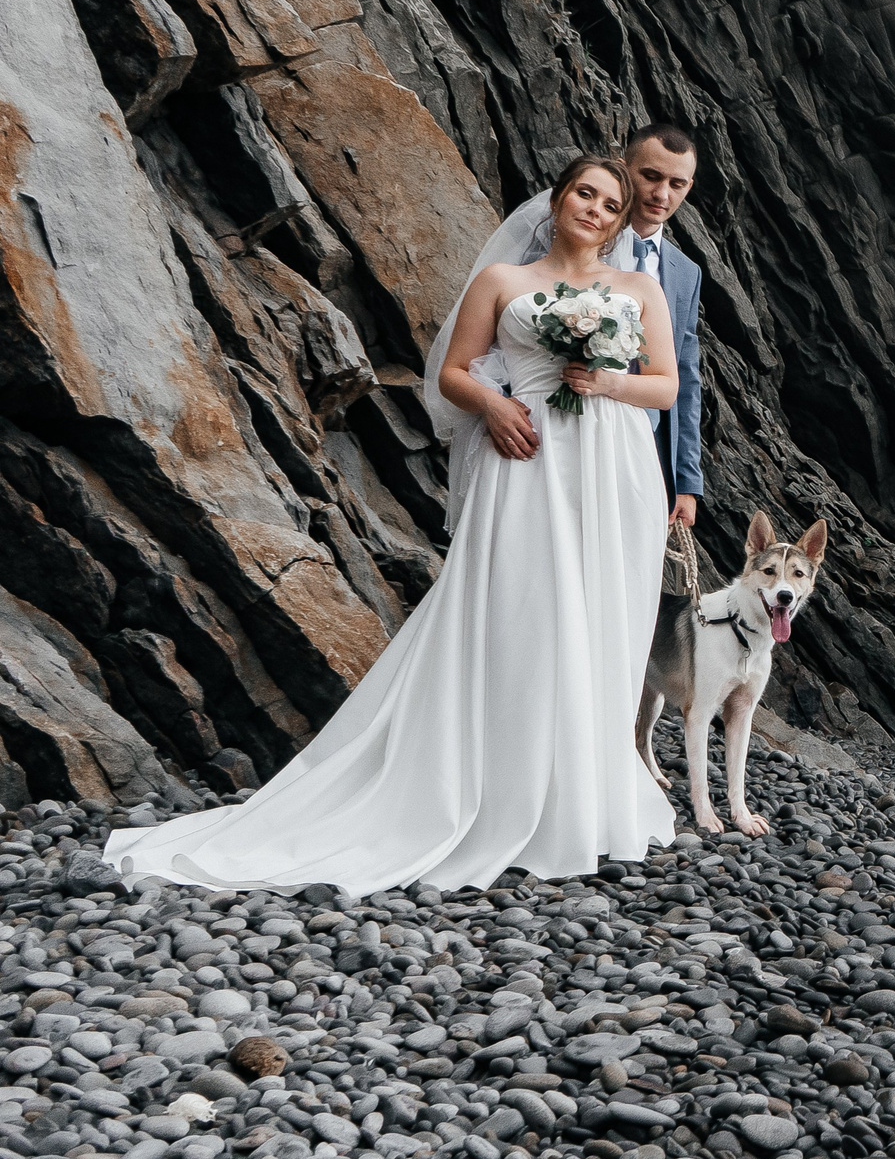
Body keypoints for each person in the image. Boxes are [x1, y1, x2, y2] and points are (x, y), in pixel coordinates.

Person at [106, 157, 681, 893]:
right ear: (560, 198)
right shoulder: (505, 281)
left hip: (612, 469)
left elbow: (663, 385)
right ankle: (497, 791)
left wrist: (605, 379)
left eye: (611, 202)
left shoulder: (637, 289)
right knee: (521, 613)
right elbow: (455, 370)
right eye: (585, 193)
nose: (595, 209)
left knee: (600, 616)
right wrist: (496, 406)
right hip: (529, 456)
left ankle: (583, 795)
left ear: (622, 217)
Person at [468, 125, 706, 525]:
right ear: (623, 167)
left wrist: (685, 481)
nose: (661, 194)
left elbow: (684, 376)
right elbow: (509, 333)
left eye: (676, 183)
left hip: (635, 448)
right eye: (650, 176)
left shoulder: (684, 273)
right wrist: (497, 406)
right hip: (536, 434)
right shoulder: (557, 240)